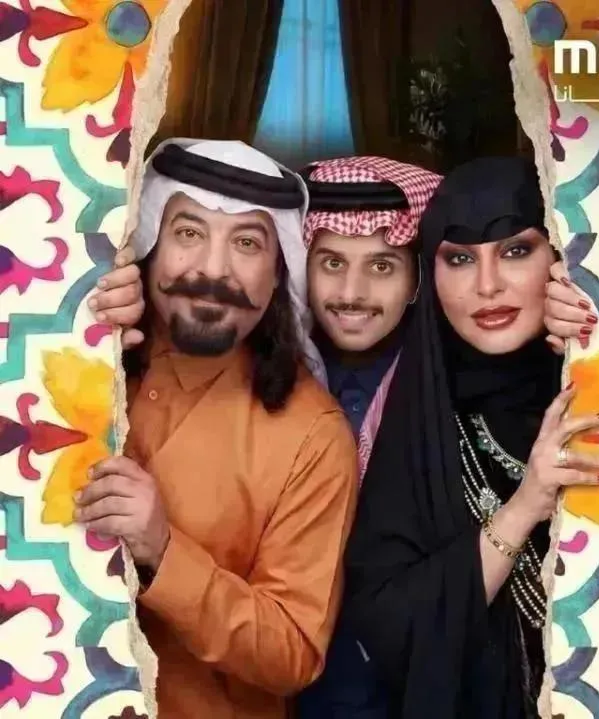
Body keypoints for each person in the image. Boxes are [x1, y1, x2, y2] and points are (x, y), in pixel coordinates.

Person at [73, 139, 360, 719]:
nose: (212, 269)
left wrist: (164, 550)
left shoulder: (314, 436)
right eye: (188, 233)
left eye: (247, 243)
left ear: (278, 276)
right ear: (150, 247)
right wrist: (81, 323)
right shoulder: (78, 360)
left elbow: (294, 653)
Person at [342, 157, 599, 718]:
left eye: (516, 251)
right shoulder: (426, 417)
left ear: (558, 259)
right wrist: (524, 507)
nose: (488, 285)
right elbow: (387, 625)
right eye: (460, 258)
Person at [292, 156, 440, 718]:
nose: (351, 293)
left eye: (381, 266)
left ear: (417, 278)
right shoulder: (266, 371)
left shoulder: (449, 378)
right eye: (331, 262)